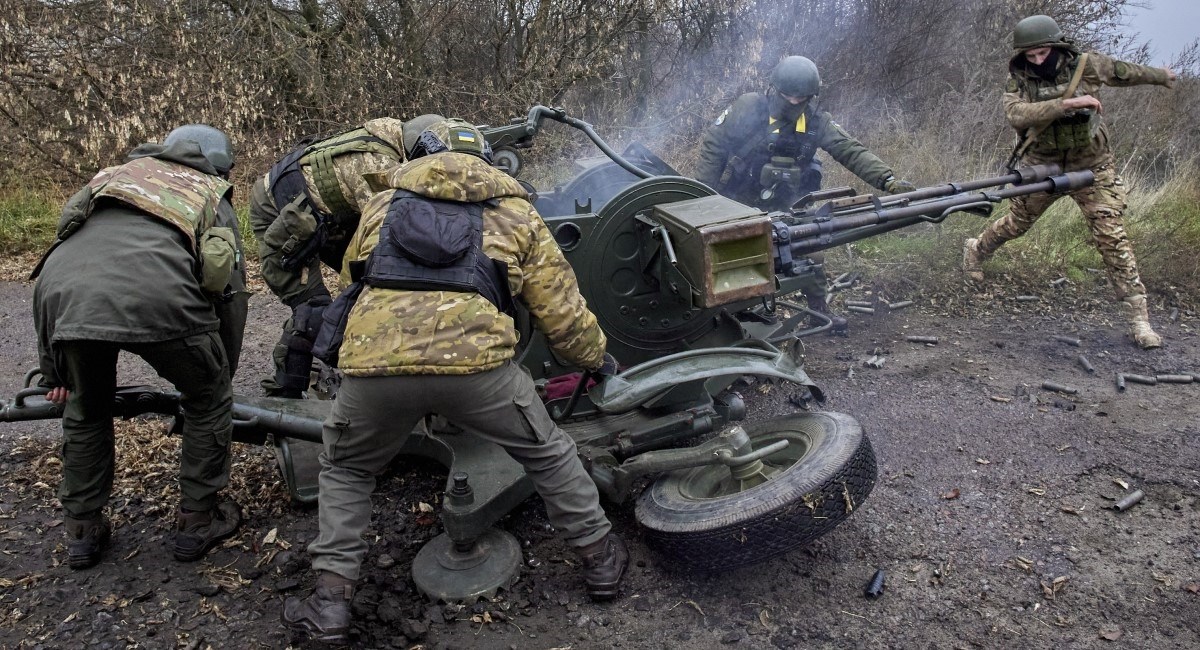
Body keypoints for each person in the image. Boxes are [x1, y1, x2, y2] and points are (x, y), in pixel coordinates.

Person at [281, 119, 628, 644]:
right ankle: (601, 560)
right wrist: (593, 357)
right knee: (549, 453)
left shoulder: (380, 206)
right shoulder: (516, 212)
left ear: (418, 155)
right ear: (488, 159)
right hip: (477, 371)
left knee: (348, 469)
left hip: (375, 369)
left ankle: (329, 603)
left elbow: (354, 283)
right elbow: (561, 312)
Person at [31, 125, 248, 569]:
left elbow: (61, 261)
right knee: (208, 402)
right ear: (219, 163)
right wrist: (220, 369)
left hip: (67, 298)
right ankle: (196, 522)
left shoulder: (112, 176)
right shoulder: (210, 193)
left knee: (85, 408)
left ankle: (82, 531)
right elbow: (228, 292)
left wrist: (56, 375)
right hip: (163, 296)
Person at [963, 15, 1177, 349]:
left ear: (1058, 46)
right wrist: (1068, 104)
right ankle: (976, 249)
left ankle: (1139, 318)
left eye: (1043, 52)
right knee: (1018, 222)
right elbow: (1016, 114)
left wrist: (1162, 76)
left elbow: (1126, 71)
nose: (1038, 60)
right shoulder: (1018, 78)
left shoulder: (1088, 66)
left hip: (1092, 164)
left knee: (1111, 234)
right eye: (1030, 55)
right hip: (1042, 164)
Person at [696, 55, 916, 331]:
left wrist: (888, 180)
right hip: (739, 195)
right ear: (774, 89)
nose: (793, 103)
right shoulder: (749, 107)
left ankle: (819, 311)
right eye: (787, 97)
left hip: (789, 197)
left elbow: (850, 150)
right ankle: (732, 316)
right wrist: (703, 197)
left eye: (801, 99)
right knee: (735, 256)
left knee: (810, 247)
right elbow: (714, 146)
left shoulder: (817, 121)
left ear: (811, 96)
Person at [249, 114, 445, 397]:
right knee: (313, 309)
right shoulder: (377, 164)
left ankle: (350, 366)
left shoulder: (392, 144)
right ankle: (284, 392)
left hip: (325, 219)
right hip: (278, 213)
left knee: (365, 288)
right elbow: (390, 227)